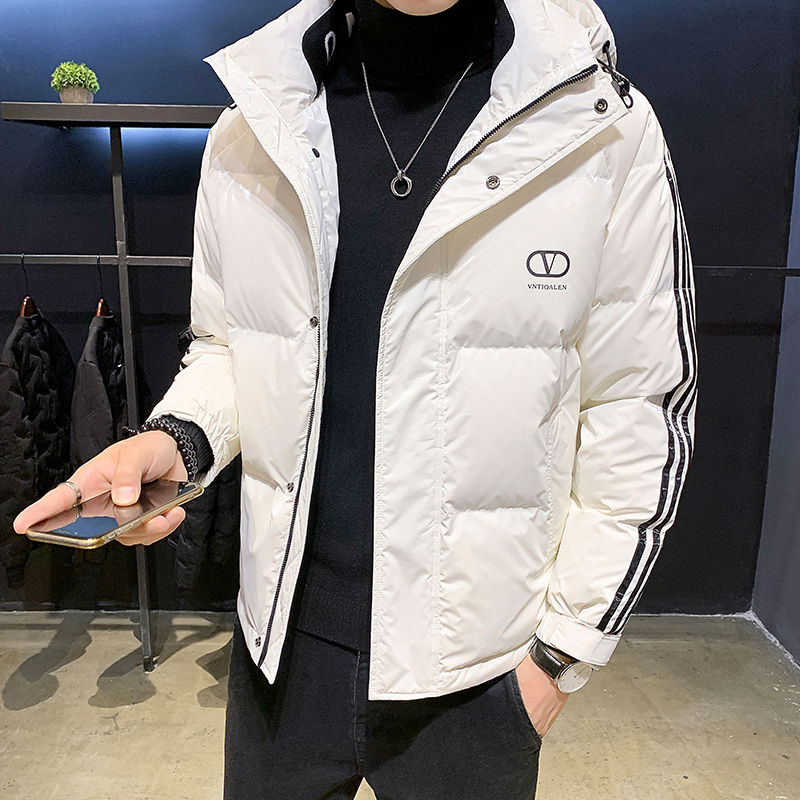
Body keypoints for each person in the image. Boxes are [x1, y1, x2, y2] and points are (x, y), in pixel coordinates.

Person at [14, 0, 698, 796]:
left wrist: (557, 661)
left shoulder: (602, 128)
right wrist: (177, 439)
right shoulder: (253, 124)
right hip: (280, 657)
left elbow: (640, 406)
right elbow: (230, 348)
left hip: (479, 677)